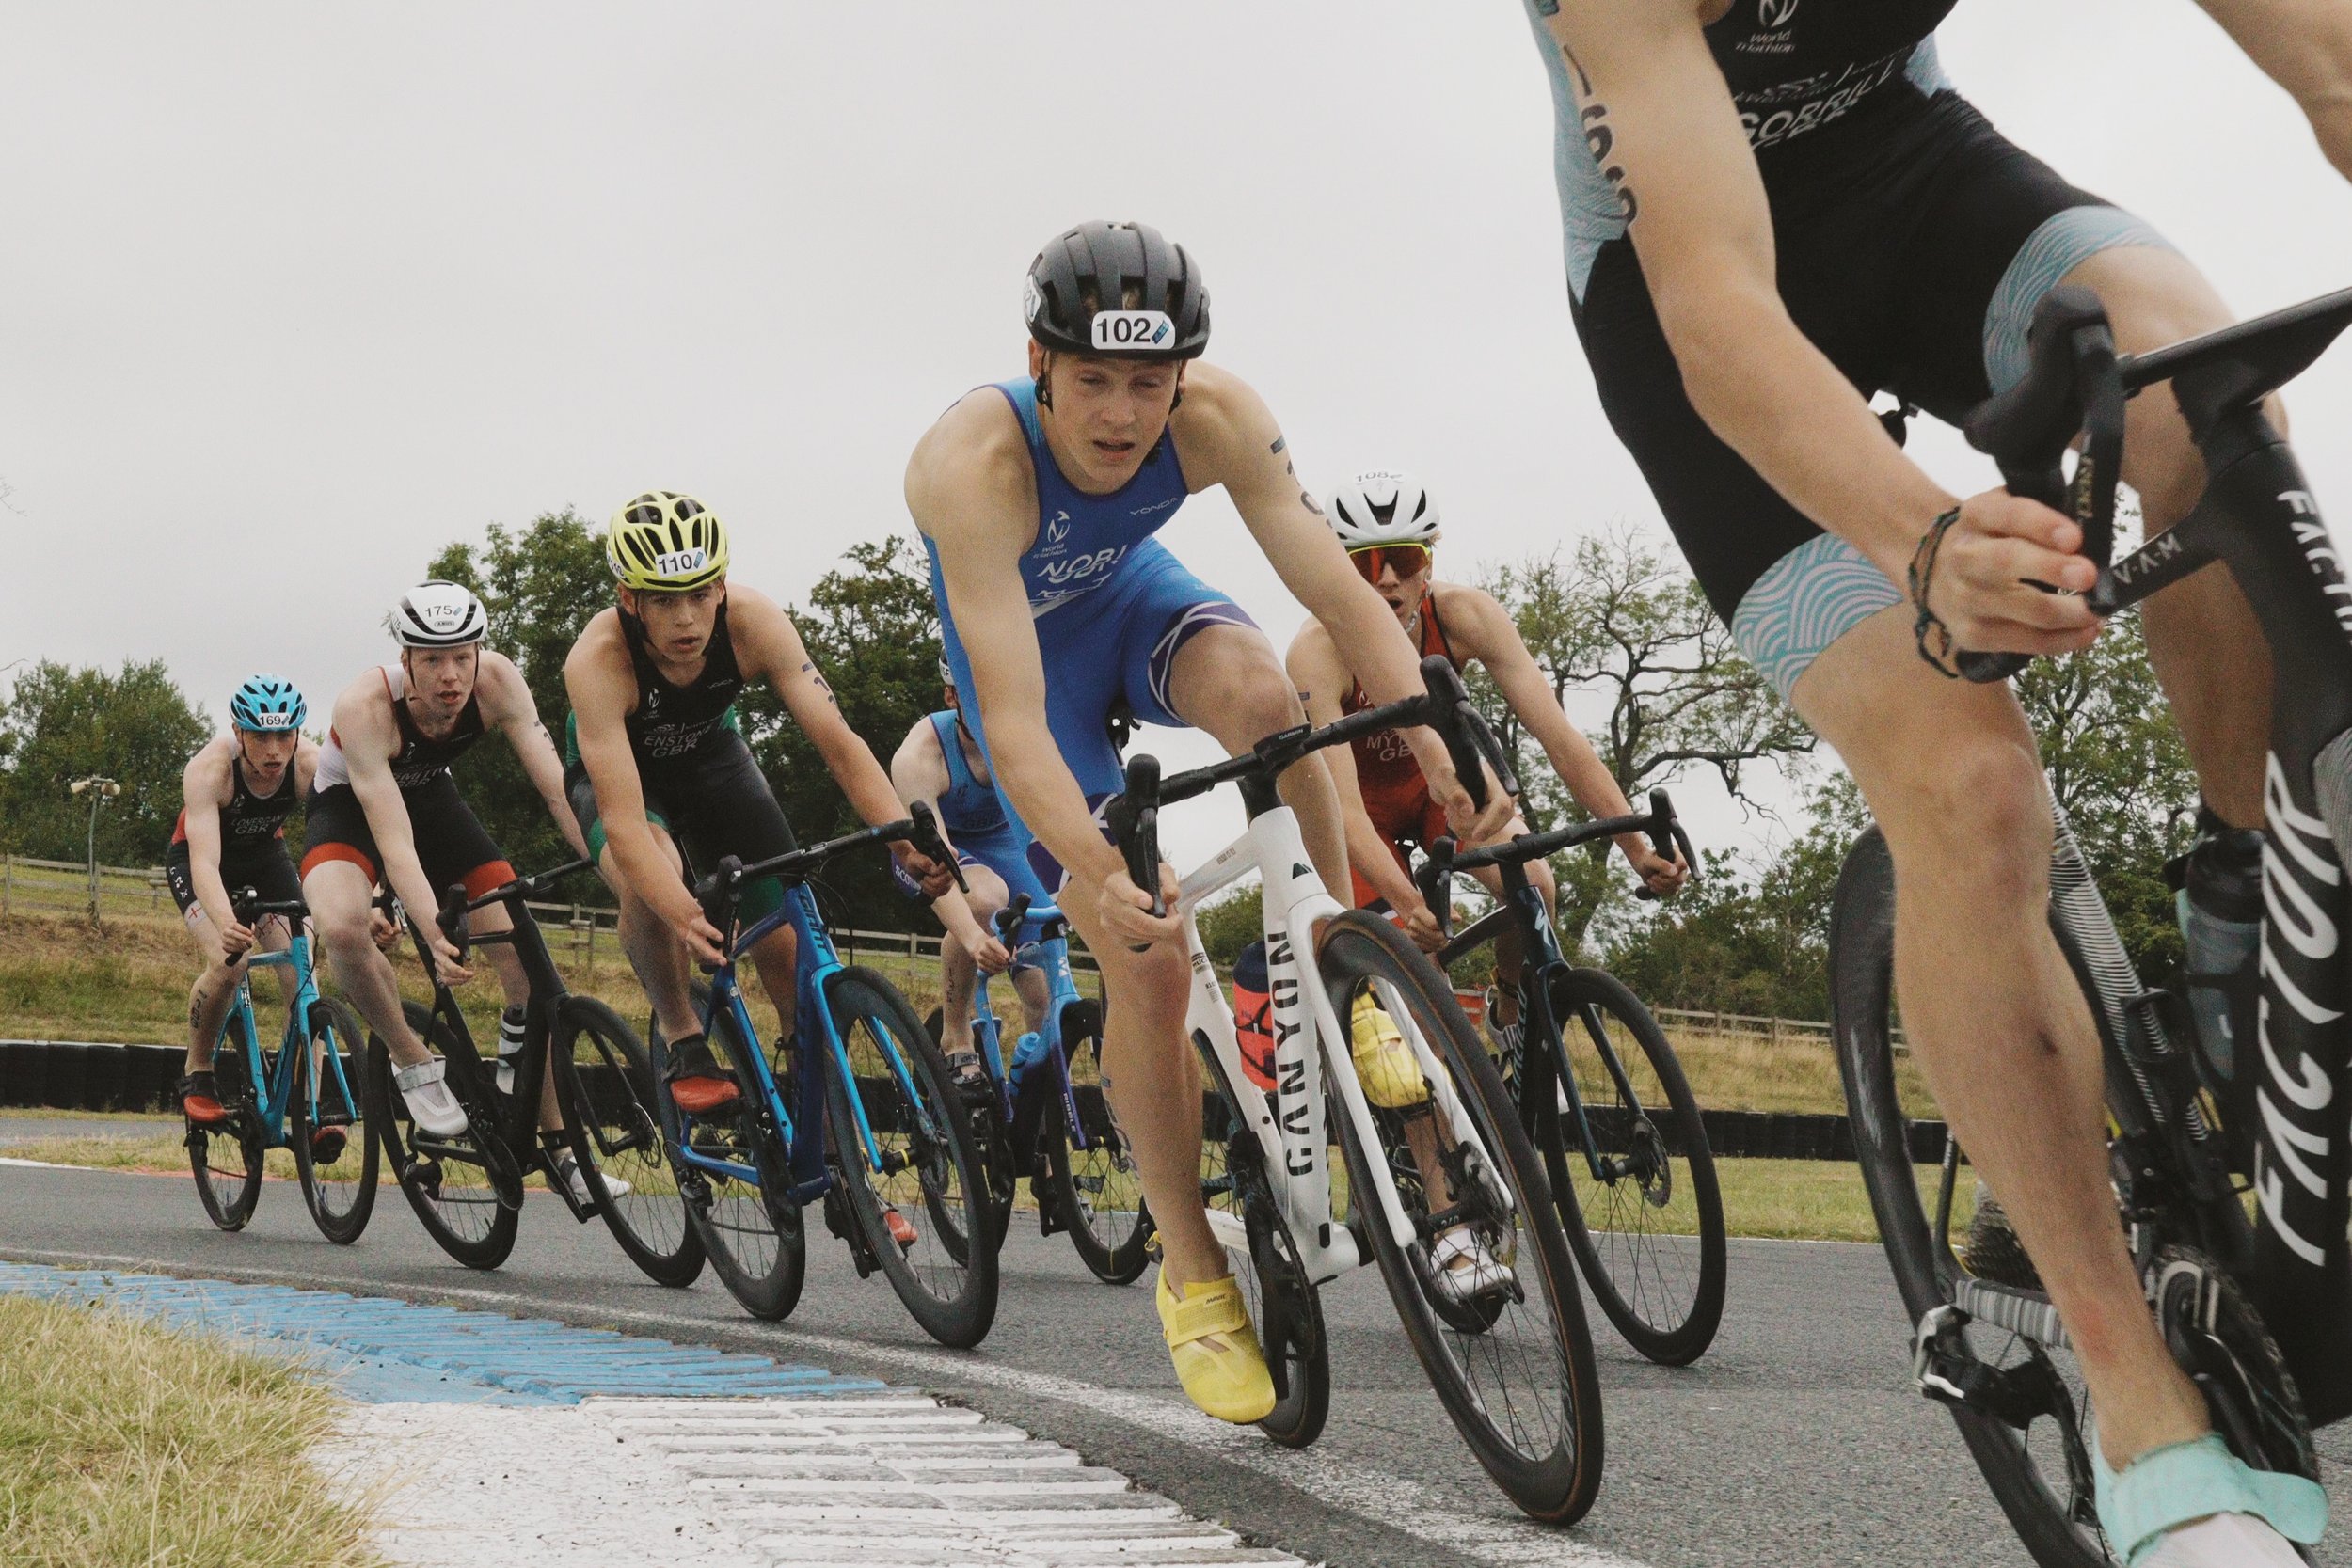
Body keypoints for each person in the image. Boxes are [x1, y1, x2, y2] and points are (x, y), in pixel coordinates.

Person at [1518, 0, 2352, 1557]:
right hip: (1696, 290)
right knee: (1969, 784)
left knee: (2211, 399)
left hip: (1917, 178)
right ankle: (2129, 1391)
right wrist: (1924, 540)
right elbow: (1718, 312)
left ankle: (2243, 903)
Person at [906, 219, 1510, 1423]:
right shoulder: (969, 466)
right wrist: (1093, 867)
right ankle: (1190, 1267)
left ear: (1182, 372)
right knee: (1147, 947)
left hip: (1134, 605)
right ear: (1038, 362)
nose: (1125, 414)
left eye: (1149, 381)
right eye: (1094, 381)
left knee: (1270, 701)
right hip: (1030, 683)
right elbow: (1015, 730)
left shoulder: (1219, 414)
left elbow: (1336, 590)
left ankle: (1341, 961)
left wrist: (1441, 747)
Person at [564, 491, 961, 1137]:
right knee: (652, 875)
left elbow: (838, 742)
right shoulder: (598, 660)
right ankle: (683, 1031)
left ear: (721, 585)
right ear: (629, 599)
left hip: (715, 761)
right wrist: (685, 912)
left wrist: (903, 840)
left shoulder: (753, 621)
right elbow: (629, 825)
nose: (688, 619)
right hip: (631, 785)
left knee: (787, 944)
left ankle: (820, 1127)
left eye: (700, 593)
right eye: (664, 600)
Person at [1286, 470, 1687, 1060]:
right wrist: (1407, 903)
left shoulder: (1466, 616)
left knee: (1537, 888)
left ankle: (1508, 1006)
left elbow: (1559, 736)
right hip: (1360, 810)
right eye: (1366, 564)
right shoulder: (1316, 652)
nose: (1388, 580)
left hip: (1437, 788)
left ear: (1429, 560)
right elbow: (1341, 809)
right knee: (1421, 981)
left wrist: (1635, 846)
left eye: (1402, 558)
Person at [302, 582, 605, 1200]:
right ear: (405, 660)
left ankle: (558, 1145)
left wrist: (609, 862)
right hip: (351, 811)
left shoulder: (498, 683)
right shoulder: (363, 707)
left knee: (529, 965)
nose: (450, 676)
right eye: (433, 660)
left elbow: (558, 789)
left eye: (462, 657)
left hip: (435, 803)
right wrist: (433, 930)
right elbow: (395, 844)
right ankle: (413, 1059)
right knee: (340, 927)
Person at [168, 676, 320, 1129]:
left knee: (303, 968)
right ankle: (198, 1072)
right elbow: (205, 865)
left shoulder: (311, 765)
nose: (274, 751)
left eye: (284, 735)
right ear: (238, 734)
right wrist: (224, 922)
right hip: (201, 863)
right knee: (230, 963)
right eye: (260, 736)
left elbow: (343, 834)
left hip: (266, 859)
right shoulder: (209, 770)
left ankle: (310, 1102)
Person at [888, 656, 1044, 1085]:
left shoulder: (1028, 735)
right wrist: (976, 940)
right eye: (977, 698)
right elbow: (939, 868)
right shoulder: (920, 757)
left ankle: (1035, 1095)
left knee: (1043, 990)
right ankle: (955, 1036)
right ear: (951, 696)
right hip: (932, 850)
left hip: (1004, 843)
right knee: (985, 900)